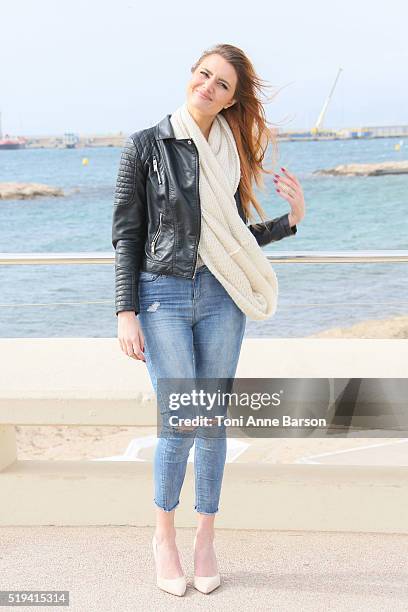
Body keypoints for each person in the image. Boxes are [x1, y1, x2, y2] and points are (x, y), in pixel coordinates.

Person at [112, 43, 306, 597]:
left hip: (222, 297)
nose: (208, 87)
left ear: (230, 100)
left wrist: (289, 222)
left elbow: (234, 243)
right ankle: (164, 537)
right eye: (204, 75)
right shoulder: (146, 146)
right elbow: (127, 234)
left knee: (213, 421)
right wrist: (125, 311)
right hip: (162, 296)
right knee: (180, 422)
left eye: (221, 85)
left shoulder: (230, 153)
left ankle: (205, 537)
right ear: (190, 76)